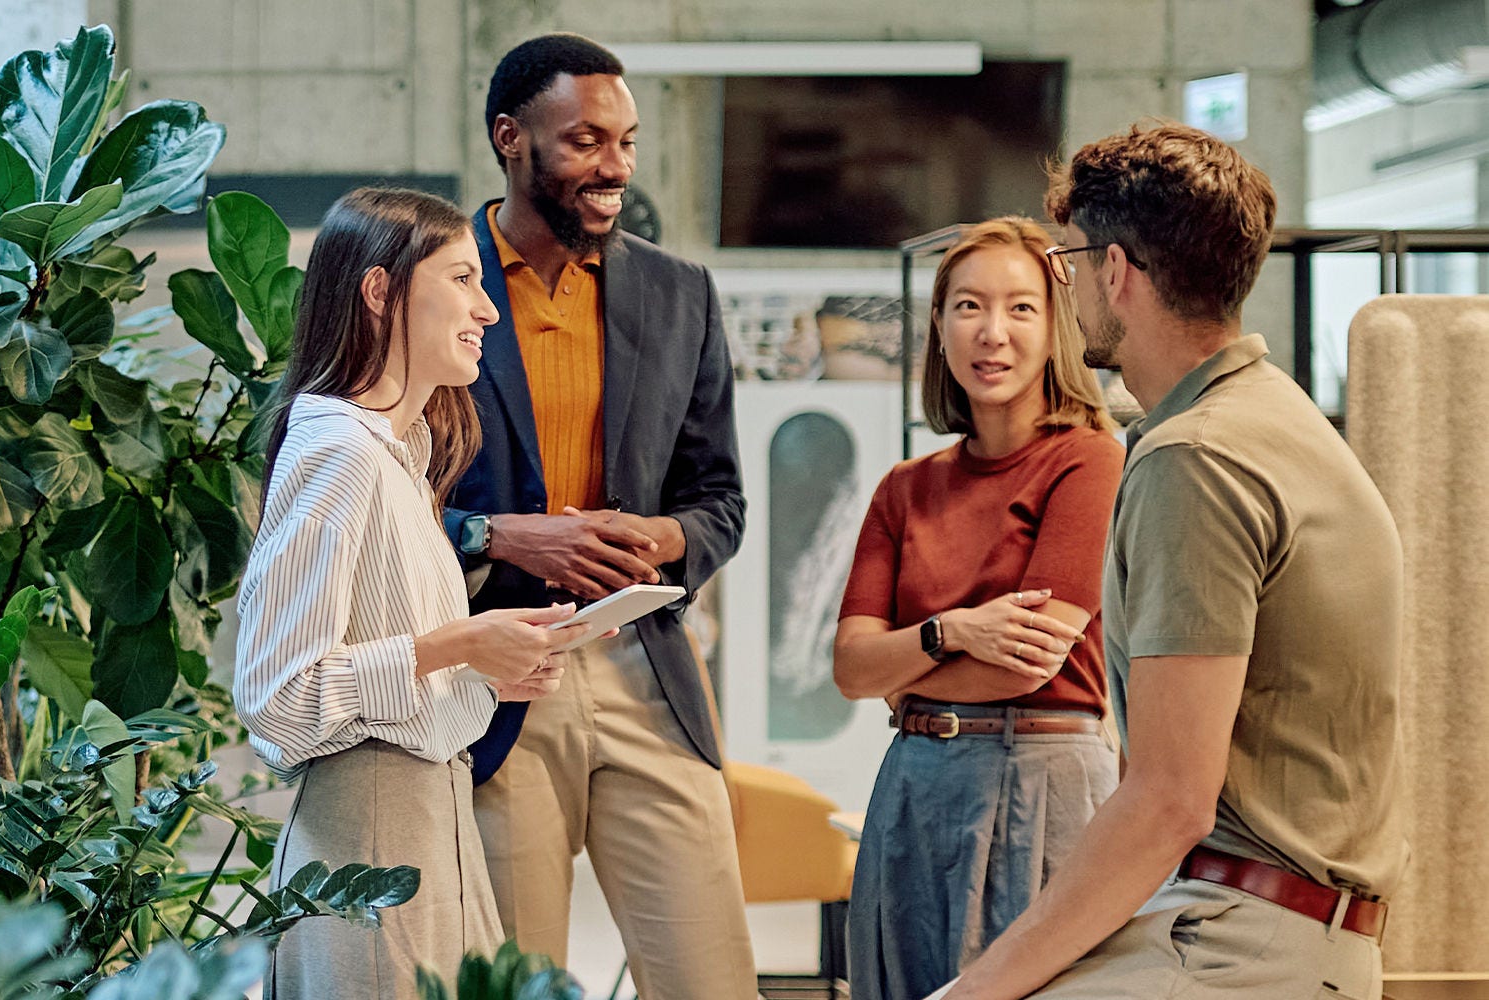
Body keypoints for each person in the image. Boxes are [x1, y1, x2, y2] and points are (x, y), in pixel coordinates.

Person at [935, 123, 1409, 999]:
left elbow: (1169, 800)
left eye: (1067, 264)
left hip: (1244, 944)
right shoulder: (1276, 416)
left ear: (1115, 271)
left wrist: (973, 990)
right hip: (1272, 928)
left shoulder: (1198, 458)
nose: (1067, 289)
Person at [442, 33, 755, 1000]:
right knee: (516, 984)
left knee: (712, 981)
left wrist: (663, 540)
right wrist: (499, 534)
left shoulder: (680, 294)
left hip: (644, 671)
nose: (613, 168)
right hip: (494, 677)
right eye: (584, 142)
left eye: (625, 141)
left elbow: (721, 502)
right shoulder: (430, 284)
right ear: (510, 138)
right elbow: (378, 497)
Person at [234, 187, 584, 999]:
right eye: (462, 279)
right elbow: (279, 696)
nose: (486, 310)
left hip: (431, 817)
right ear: (380, 291)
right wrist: (461, 645)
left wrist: (489, 665)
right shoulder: (340, 454)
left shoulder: (398, 455)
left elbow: (384, 667)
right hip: (370, 832)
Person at [833, 217, 1123, 1000]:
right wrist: (952, 632)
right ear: (938, 323)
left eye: (1021, 309)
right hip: (915, 792)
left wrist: (908, 669)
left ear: (1055, 325)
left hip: (1043, 786)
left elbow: (1028, 666)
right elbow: (850, 668)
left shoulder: (1090, 459)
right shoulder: (905, 486)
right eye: (968, 306)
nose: (992, 334)